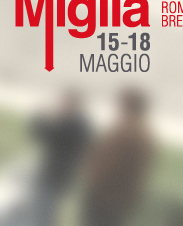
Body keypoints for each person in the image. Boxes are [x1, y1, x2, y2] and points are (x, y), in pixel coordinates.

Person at [81, 89, 154, 226]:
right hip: (122, 198)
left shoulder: (125, 131)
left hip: (106, 196)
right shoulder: (144, 133)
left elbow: (109, 165)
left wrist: (93, 180)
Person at [28, 91, 93, 226]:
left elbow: (43, 133)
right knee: (48, 211)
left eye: (64, 103)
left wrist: (40, 115)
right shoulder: (81, 125)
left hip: (52, 176)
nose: (61, 106)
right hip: (62, 176)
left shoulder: (70, 126)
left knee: (42, 213)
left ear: (73, 104)